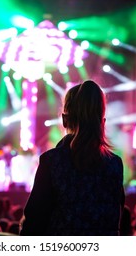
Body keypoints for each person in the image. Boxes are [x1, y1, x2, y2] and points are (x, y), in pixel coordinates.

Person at [20, 80, 125, 236]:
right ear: (103, 122)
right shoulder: (114, 164)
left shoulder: (52, 162)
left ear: (64, 119)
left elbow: (33, 223)